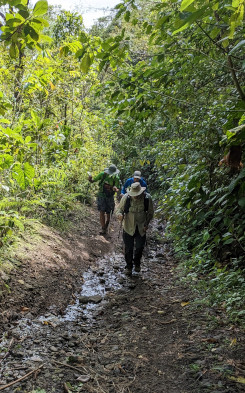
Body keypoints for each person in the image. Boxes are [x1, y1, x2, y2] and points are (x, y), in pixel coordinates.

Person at [116, 182, 154, 275]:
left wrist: (146, 224)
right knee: (128, 248)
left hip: (141, 227)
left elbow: (150, 212)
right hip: (128, 226)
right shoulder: (126, 197)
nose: (135, 196)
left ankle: (137, 264)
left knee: (139, 247)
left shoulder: (147, 198)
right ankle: (129, 267)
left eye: (137, 194)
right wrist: (120, 215)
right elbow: (119, 209)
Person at [88, 164, 120, 234]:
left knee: (109, 213)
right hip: (101, 195)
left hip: (110, 197)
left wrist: (114, 189)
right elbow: (93, 180)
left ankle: (106, 225)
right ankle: (103, 228)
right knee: (101, 211)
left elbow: (117, 188)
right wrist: (90, 179)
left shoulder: (116, 178)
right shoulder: (102, 174)